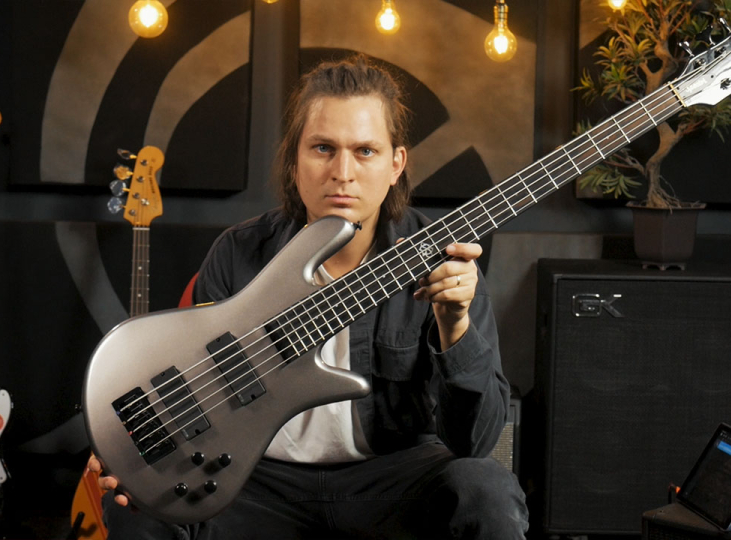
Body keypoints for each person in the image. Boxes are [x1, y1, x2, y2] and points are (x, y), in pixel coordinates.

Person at [90, 54, 529, 539]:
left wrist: (455, 326)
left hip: (389, 479)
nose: (343, 172)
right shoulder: (238, 253)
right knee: (133, 506)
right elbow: (194, 386)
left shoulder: (444, 266)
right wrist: (136, 452)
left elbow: (475, 442)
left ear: (395, 164)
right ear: (294, 159)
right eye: (323, 148)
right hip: (258, 483)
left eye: (365, 151)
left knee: (486, 490)